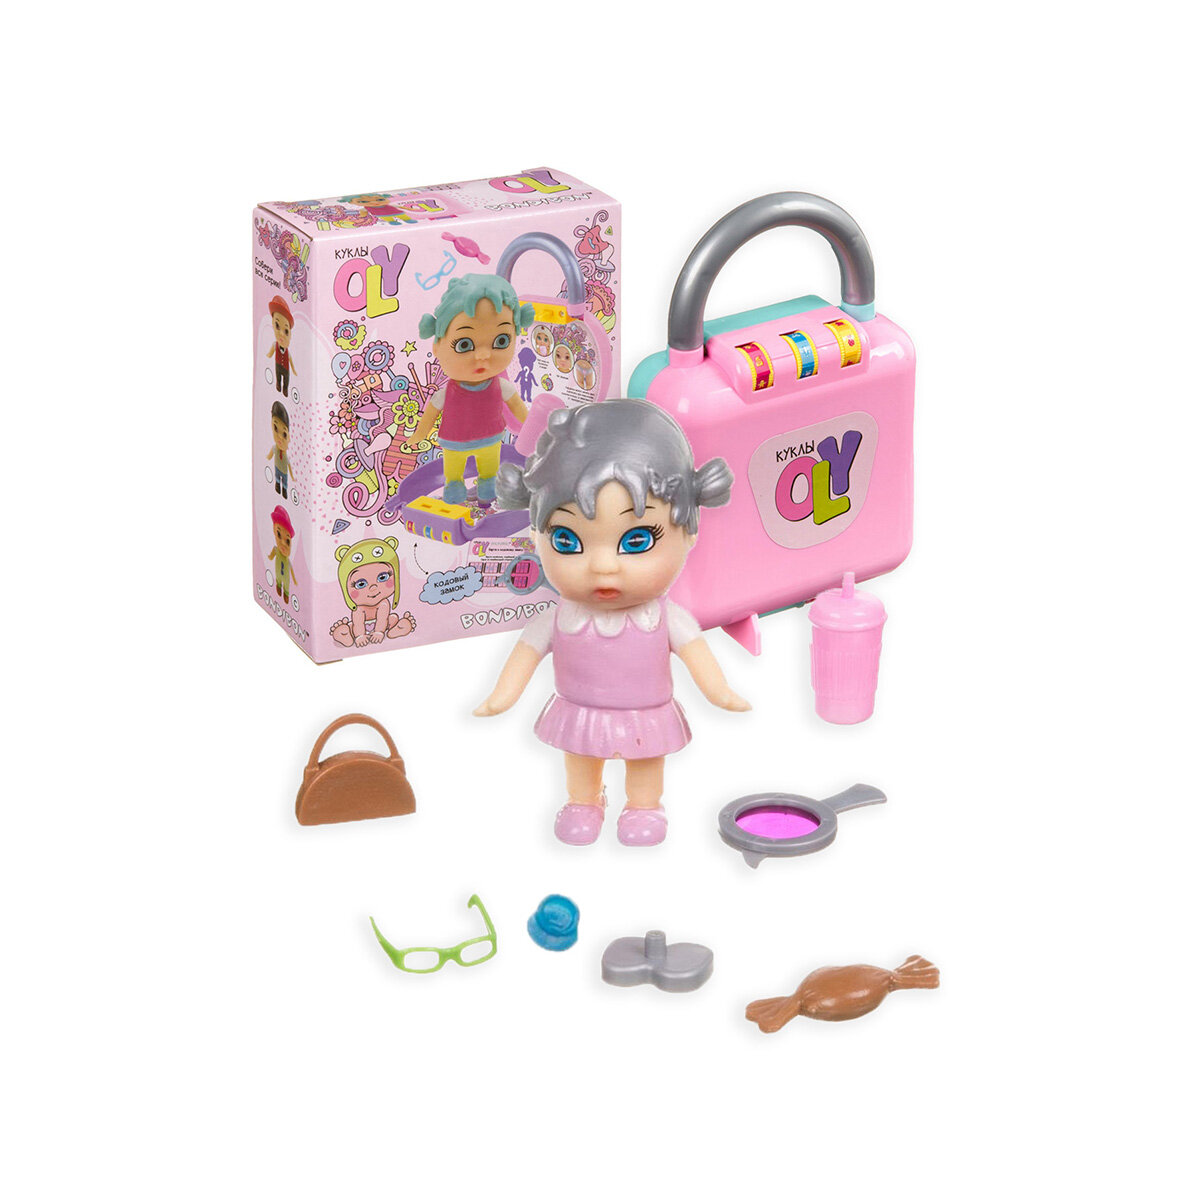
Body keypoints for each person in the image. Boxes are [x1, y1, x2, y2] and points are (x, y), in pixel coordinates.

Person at [475, 399, 749, 847]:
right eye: (567, 541)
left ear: (688, 530)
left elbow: (699, 658)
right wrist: (500, 697)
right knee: (580, 757)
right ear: (536, 535)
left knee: (646, 760)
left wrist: (721, 693)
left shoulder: (665, 619)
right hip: (580, 709)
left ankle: (644, 806)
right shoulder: (557, 618)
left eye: (636, 540)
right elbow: (524, 657)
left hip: (645, 711)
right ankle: (584, 801)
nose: (603, 566)